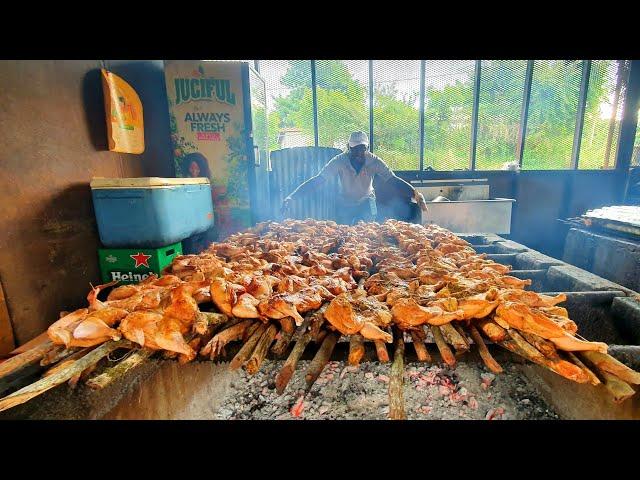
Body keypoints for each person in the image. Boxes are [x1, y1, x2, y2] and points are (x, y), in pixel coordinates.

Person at [281, 131, 428, 224]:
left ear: (367, 148)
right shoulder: (339, 161)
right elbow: (318, 181)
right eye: (354, 149)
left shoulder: (374, 161)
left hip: (367, 201)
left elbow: (392, 179)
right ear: (348, 148)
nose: (358, 153)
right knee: (344, 234)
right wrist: (292, 197)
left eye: (362, 149)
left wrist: (415, 193)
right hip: (345, 202)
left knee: (367, 233)